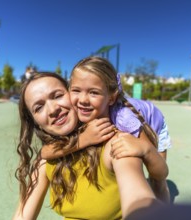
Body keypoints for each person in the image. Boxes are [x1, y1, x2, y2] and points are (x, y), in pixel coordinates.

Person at [13, 72, 163, 220]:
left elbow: (138, 198)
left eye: (58, 96)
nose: (53, 110)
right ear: (34, 121)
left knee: (159, 185)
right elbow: (22, 215)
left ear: (73, 94)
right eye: (38, 107)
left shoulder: (115, 143)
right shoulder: (47, 159)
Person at [41, 56, 171, 203]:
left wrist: (145, 149)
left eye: (94, 92)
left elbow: (163, 171)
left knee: (157, 181)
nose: (83, 99)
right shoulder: (77, 110)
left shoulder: (125, 120)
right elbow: (45, 152)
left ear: (111, 98)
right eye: (76, 90)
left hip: (154, 122)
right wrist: (83, 139)